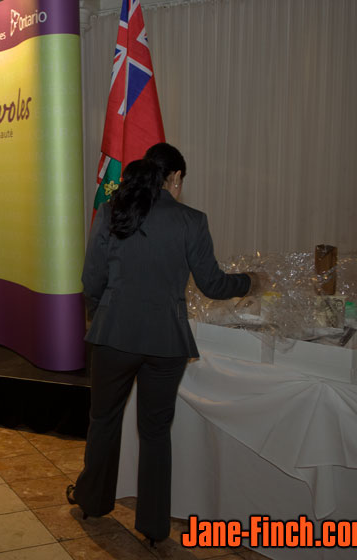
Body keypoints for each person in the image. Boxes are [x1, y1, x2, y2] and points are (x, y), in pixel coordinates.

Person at [68, 142, 260, 545]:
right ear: (174, 177)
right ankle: (154, 527)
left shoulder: (112, 211)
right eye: (179, 181)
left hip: (113, 335)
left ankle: (92, 500)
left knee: (104, 421)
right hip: (166, 342)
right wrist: (251, 281)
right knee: (155, 432)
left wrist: (102, 313)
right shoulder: (192, 220)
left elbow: (91, 280)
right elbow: (213, 284)